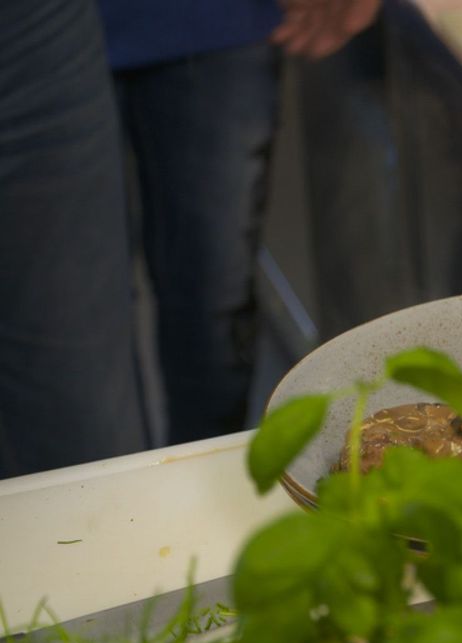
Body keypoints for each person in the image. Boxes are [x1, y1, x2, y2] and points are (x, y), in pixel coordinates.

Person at [0, 0, 378, 478]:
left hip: (213, 19)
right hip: (26, 42)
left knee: (213, 319)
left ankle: (202, 508)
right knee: (71, 375)